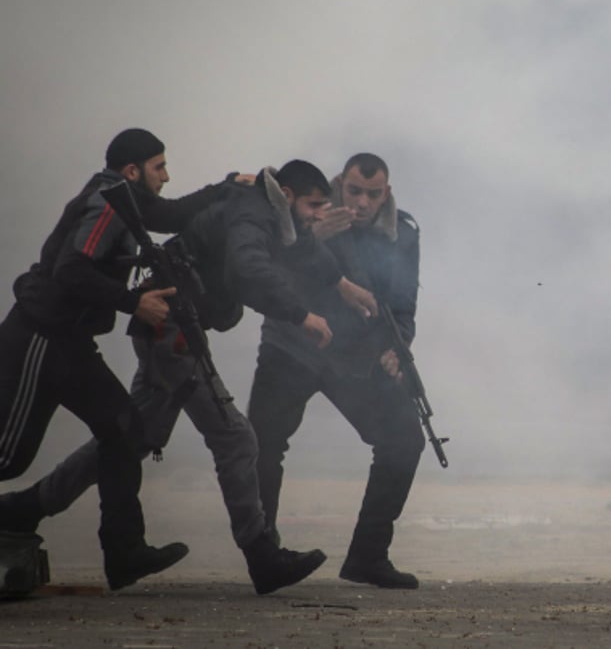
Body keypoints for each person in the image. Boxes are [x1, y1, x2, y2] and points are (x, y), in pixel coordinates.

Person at [0, 161, 359, 594]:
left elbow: (299, 247)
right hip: (171, 331)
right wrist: (302, 315)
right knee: (235, 438)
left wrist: (341, 283)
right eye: (314, 205)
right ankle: (261, 555)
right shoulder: (252, 213)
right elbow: (250, 268)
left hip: (169, 329)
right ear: (285, 193)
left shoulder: (270, 214)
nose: (319, 214)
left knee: (133, 436)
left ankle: (25, 507)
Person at [0, 128, 238, 590]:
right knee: (9, 456)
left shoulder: (124, 197)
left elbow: (172, 214)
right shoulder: (107, 205)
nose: (166, 177)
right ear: (133, 171)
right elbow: (71, 269)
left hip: (71, 344)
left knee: (125, 429)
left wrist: (229, 185)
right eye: (159, 167)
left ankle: (124, 553)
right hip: (41, 339)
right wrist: (133, 302)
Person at [248, 153, 424, 589]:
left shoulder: (402, 233)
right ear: (340, 184)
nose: (362, 203)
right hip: (294, 343)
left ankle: (368, 555)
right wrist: (308, 239)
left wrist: (396, 349)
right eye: (354, 192)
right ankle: (265, 556)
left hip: (356, 359)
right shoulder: (307, 213)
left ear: (387, 193)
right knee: (263, 446)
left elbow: (403, 304)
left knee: (405, 438)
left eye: (373, 194)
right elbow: (266, 270)